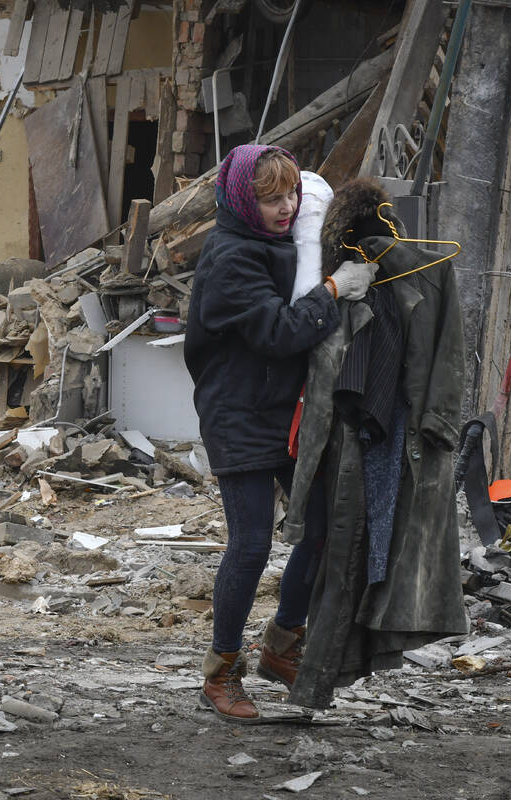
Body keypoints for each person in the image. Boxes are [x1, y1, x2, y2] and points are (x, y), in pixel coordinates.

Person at [183, 144, 377, 723]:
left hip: (284, 413)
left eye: (291, 194)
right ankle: (221, 672)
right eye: (271, 198)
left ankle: (283, 644)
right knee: (251, 544)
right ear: (245, 199)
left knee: (320, 527)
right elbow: (278, 332)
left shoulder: (279, 244)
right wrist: (336, 290)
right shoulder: (230, 257)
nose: (287, 206)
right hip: (237, 413)